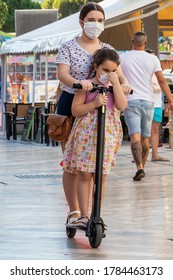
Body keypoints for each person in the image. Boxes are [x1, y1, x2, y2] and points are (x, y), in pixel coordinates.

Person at [54, 2, 132, 226]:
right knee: (72, 162)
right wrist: (80, 84)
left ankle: (93, 213)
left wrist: (124, 85)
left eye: (100, 20)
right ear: (81, 22)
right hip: (76, 99)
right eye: (91, 20)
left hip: (104, 103)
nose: (96, 24)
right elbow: (63, 74)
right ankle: (75, 212)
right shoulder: (68, 47)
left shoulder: (107, 47)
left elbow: (119, 74)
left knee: (97, 166)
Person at [63, 48, 128, 228]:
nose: (109, 74)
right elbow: (75, 110)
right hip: (86, 133)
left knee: (102, 175)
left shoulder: (115, 88)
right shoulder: (87, 85)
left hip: (108, 133)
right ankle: (83, 215)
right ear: (96, 67)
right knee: (84, 173)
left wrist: (116, 85)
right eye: (105, 70)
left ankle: (96, 214)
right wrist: (93, 104)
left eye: (113, 71)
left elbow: (122, 106)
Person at [120, 31, 173, 181]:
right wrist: (171, 100)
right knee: (146, 137)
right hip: (149, 101)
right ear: (146, 42)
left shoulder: (122, 58)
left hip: (130, 100)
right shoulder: (153, 59)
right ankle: (142, 167)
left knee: (134, 136)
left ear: (132, 41)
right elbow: (162, 81)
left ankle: (139, 168)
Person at [146, 49, 169, 162]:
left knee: (155, 130)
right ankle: (140, 155)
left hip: (157, 104)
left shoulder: (158, 72)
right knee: (143, 131)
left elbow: (161, 85)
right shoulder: (144, 72)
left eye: (155, 57)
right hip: (146, 102)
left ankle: (155, 154)